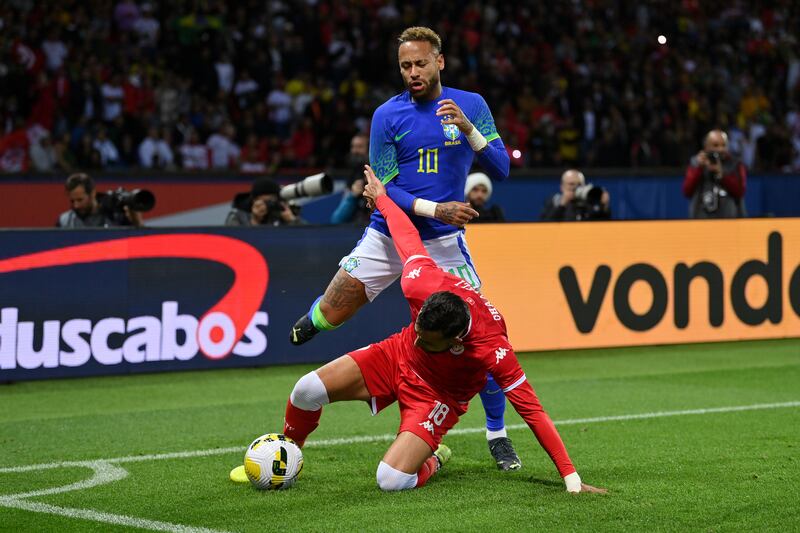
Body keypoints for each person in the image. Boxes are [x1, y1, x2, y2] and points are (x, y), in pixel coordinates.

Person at [236, 165, 606, 494]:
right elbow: (405, 236)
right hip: (396, 356)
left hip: (437, 396)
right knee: (305, 390)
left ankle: (434, 458)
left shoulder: (492, 345)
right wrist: (381, 198)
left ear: (456, 340)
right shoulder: (421, 281)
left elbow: (533, 412)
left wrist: (571, 478)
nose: (420, 337)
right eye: (419, 329)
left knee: (391, 480)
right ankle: (287, 455)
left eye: (428, 341)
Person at [290, 26, 520, 470]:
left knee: (485, 339)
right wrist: (439, 209)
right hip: (388, 232)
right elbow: (385, 189)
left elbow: (501, 168)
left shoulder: (470, 104)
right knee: (334, 312)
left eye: (419, 64)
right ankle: (316, 318)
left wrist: (471, 130)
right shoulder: (387, 116)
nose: (412, 73)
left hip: (444, 246)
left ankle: (497, 434)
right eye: (404, 66)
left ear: (440, 61)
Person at [682, 129, 747, 218]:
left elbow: (740, 191)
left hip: (730, 222)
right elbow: (687, 191)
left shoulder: (735, 164)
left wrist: (722, 174)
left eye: (724, 145)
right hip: (701, 221)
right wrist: (699, 168)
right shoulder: (696, 163)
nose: (720, 149)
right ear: (706, 147)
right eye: (715, 145)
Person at [56, 173, 144, 228]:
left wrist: (135, 217)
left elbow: (137, 240)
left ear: (93, 193)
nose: (76, 205)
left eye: (80, 200)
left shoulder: (114, 216)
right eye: (72, 201)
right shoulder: (64, 221)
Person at [225, 177, 305, 227]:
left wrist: (292, 221)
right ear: (254, 200)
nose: (269, 205)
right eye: (265, 201)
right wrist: (255, 221)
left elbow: (307, 238)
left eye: (272, 201)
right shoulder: (238, 216)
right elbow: (234, 243)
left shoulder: (282, 212)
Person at [330, 133, 372, 225]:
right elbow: (336, 220)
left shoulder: (378, 175)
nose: (355, 151)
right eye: (353, 147)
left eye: (360, 147)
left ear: (369, 149)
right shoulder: (353, 176)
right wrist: (353, 196)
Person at [540, 169, 611, 221]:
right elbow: (545, 227)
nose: (575, 188)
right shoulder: (554, 202)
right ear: (562, 187)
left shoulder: (590, 202)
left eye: (579, 184)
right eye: (571, 184)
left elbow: (603, 226)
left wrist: (605, 207)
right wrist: (561, 206)